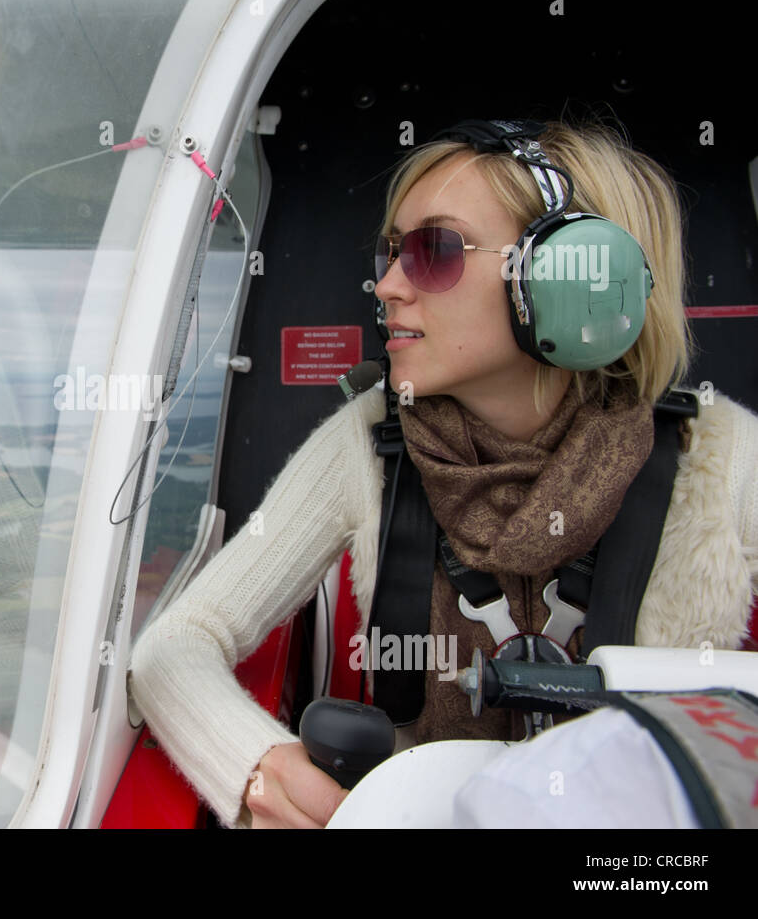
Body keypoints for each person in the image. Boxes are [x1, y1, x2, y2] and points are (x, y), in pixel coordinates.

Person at [127, 118, 758, 829]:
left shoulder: (725, 458)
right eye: (392, 251)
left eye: (436, 250)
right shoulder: (366, 441)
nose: (388, 284)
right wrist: (257, 765)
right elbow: (177, 644)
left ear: (565, 276)